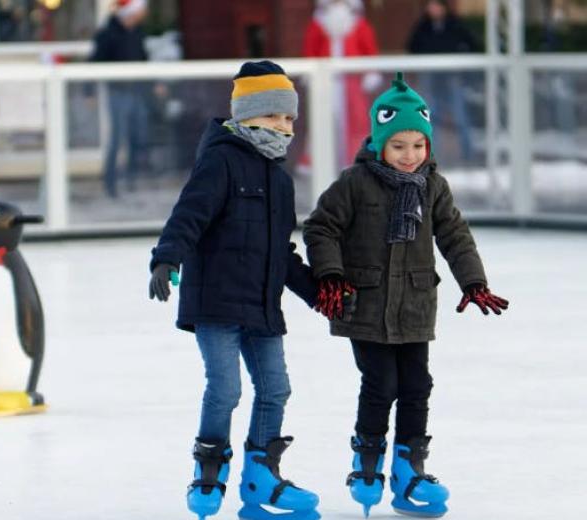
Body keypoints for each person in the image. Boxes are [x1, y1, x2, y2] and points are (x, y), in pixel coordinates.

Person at [303, 73, 509, 518]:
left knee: (417, 385)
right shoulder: (355, 182)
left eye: (418, 145)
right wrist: (332, 275)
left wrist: (473, 281)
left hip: (415, 304)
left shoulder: (433, 186)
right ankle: (368, 460)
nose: (409, 155)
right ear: (379, 143)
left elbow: (455, 235)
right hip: (366, 304)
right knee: (381, 384)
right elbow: (321, 227)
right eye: (399, 146)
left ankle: (409, 467)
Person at [148, 61, 321, 520]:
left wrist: (318, 293)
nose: (283, 128)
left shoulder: (280, 180)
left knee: (276, 389)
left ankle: (261, 475)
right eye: (272, 117)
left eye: (288, 119)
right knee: (225, 388)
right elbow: (189, 214)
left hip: (262, 304)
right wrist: (167, 258)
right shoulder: (220, 160)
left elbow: (282, 253)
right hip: (217, 302)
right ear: (245, 116)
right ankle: (209, 469)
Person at [302, 0, 381, 166]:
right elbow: (310, 49)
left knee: (356, 119)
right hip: (326, 80)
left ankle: (356, 157)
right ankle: (319, 161)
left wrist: (371, 72)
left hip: (352, 79)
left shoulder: (359, 24)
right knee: (323, 117)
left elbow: (369, 48)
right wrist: (311, 72)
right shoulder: (318, 24)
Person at [407, 0, 480, 163]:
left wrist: (461, 66)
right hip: (431, 80)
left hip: (452, 79)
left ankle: (468, 154)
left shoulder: (455, 25)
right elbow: (412, 47)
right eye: (430, 6)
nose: (433, 9)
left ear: (443, 7)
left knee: (461, 116)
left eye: (436, 6)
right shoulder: (423, 27)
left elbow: (472, 45)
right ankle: (432, 155)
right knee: (430, 117)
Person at [90, 0, 149, 198]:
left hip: (137, 91)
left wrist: (154, 83)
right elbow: (94, 62)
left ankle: (131, 179)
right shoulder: (107, 34)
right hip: (118, 92)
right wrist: (89, 91)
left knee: (138, 135)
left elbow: (144, 59)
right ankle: (110, 182)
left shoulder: (138, 33)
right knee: (117, 138)